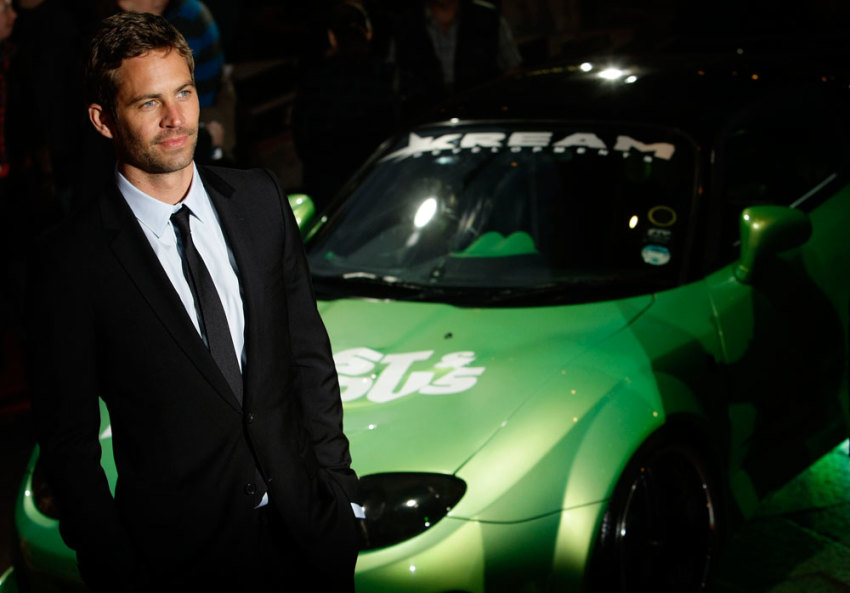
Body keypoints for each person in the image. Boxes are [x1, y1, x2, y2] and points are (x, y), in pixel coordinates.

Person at [26, 11, 360, 593]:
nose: (177, 119)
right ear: (103, 121)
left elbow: (309, 358)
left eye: (183, 92)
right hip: (180, 562)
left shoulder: (259, 200)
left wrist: (339, 496)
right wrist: (115, 568)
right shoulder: (70, 263)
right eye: (148, 103)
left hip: (308, 536)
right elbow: (68, 444)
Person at [291, 1, 398, 211]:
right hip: (383, 191)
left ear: (332, 37)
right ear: (368, 32)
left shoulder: (314, 86)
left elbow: (304, 143)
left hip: (333, 204)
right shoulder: (390, 78)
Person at [390, 0, 522, 115]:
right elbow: (392, 85)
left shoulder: (488, 18)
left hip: (481, 119)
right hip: (423, 124)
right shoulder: (404, 26)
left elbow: (513, 72)